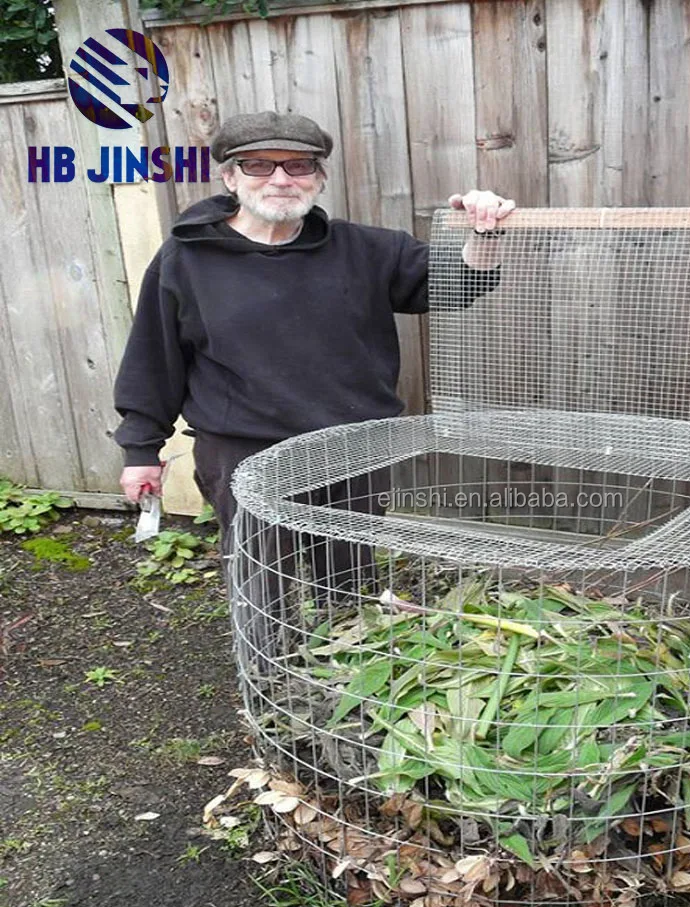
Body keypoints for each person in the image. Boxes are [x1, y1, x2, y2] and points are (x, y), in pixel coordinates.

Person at [112, 111, 514, 606]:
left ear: (319, 179)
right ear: (230, 176)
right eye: (259, 165)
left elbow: (458, 283)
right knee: (262, 582)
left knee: (349, 575)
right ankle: (266, 673)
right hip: (244, 451)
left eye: (299, 166)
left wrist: (485, 230)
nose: (281, 179)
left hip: (351, 446)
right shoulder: (187, 258)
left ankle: (345, 658)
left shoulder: (367, 250)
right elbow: (154, 357)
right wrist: (140, 451)